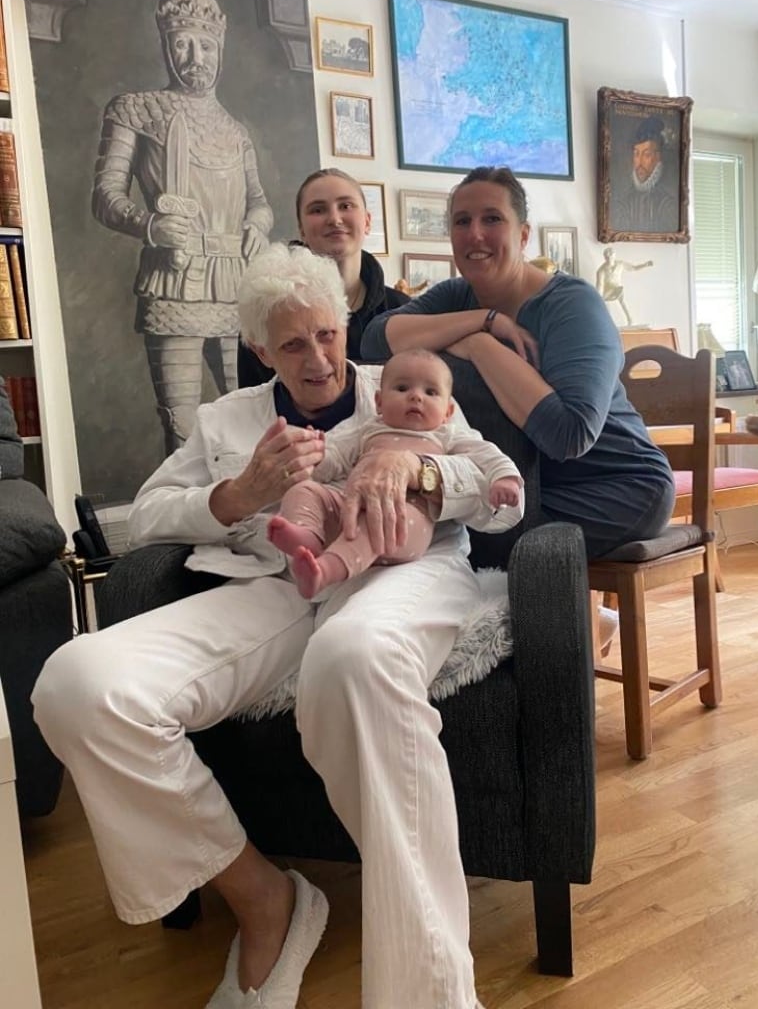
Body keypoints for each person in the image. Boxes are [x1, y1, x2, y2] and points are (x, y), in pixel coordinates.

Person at [33, 242, 513, 1009]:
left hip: (400, 571)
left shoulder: (404, 388)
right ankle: (264, 901)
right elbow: (150, 514)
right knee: (75, 685)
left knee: (351, 657)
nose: (317, 357)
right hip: (272, 584)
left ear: (345, 322)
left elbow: (498, 490)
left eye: (326, 333)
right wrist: (236, 494)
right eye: (292, 343)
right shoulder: (227, 417)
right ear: (260, 349)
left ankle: (431, 995)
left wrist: (418, 471)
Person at [360, 165, 676, 565]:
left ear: (523, 234)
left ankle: (558, 622)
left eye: (492, 219)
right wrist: (482, 320)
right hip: (529, 482)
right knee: (443, 525)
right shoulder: (458, 296)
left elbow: (570, 435)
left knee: (460, 535)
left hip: (616, 487)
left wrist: (479, 347)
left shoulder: (573, 305)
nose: (475, 233)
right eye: (462, 221)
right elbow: (376, 340)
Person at [92, 0, 274, 456]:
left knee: (252, 412)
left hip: (234, 282)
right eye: (183, 44)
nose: (196, 58)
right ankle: (186, 517)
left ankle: (247, 511)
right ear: (166, 47)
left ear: (221, 48)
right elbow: (107, 194)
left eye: (206, 46)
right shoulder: (136, 110)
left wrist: (258, 223)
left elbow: (258, 198)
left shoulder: (236, 131)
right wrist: (150, 225)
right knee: (182, 423)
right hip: (175, 280)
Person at [269, 347, 523, 598]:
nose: (416, 397)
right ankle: (308, 536)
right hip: (350, 507)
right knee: (304, 490)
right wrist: (312, 452)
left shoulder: (448, 436)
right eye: (402, 388)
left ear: (448, 412)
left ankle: (326, 570)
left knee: (374, 524)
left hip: (405, 520)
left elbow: (489, 455)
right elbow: (333, 459)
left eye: (430, 392)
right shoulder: (368, 430)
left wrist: (505, 479)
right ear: (378, 402)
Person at [238, 168, 408, 386]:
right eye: (318, 210)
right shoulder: (266, 310)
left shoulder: (403, 311)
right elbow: (255, 406)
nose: (334, 219)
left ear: (367, 221)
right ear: (301, 229)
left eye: (346, 206)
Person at [610, 115, 679, 234]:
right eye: (636, 154)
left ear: (658, 158)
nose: (639, 162)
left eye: (646, 155)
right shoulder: (623, 204)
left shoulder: (668, 205)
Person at [595, 246, 653, 326]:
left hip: (618, 288)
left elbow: (633, 268)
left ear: (614, 256)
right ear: (605, 258)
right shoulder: (601, 270)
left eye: (611, 256)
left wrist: (645, 265)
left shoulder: (620, 264)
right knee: (606, 305)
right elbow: (600, 285)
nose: (609, 259)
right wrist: (598, 298)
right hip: (608, 292)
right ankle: (608, 322)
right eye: (607, 257)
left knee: (622, 299)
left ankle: (630, 319)